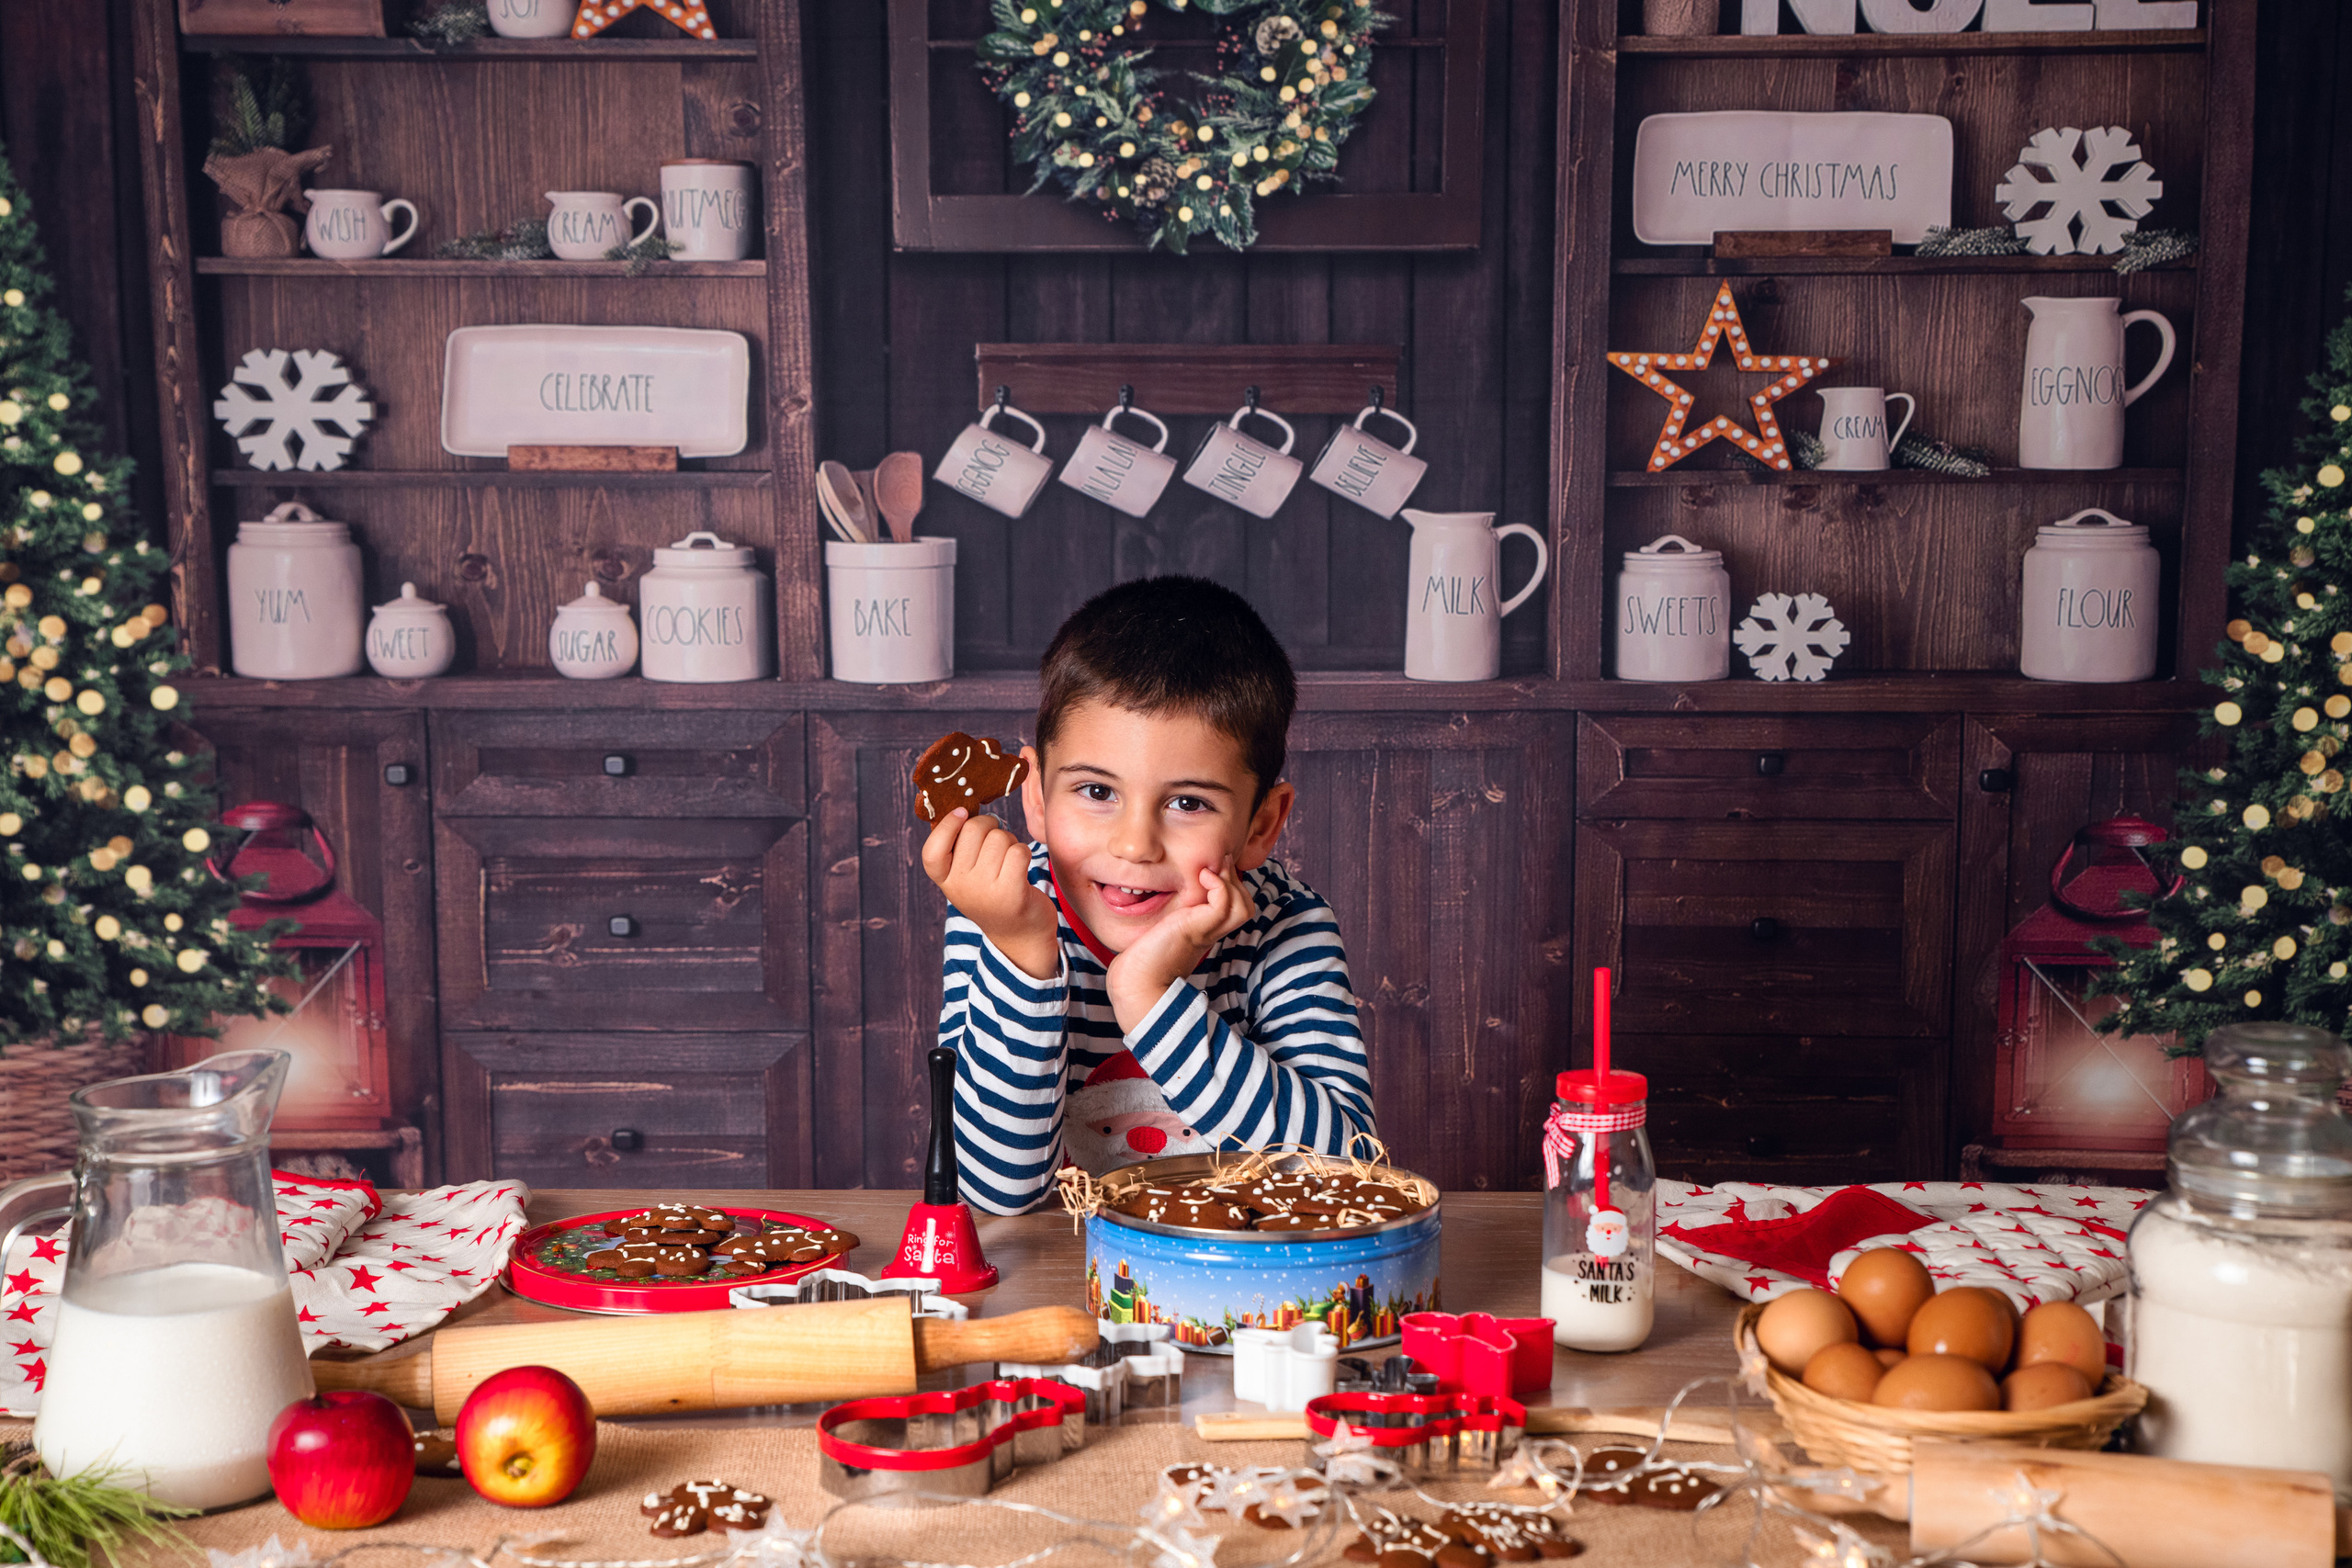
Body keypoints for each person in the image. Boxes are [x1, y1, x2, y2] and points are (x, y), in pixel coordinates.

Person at [924, 576, 1374, 1214]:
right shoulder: (1001, 912)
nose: (1136, 843)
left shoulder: (1286, 927)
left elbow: (1347, 1175)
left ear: (1260, 825)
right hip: (1062, 1282)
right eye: (1097, 791)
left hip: (1235, 1288)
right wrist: (1024, 952)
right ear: (1036, 797)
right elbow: (996, 1189)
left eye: (1188, 802)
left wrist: (1147, 993)